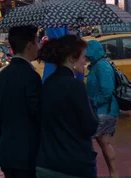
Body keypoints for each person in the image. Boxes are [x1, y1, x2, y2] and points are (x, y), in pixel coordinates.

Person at [36, 36, 99, 178]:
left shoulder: (48, 83)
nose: (85, 61)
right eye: (83, 57)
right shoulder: (76, 86)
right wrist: (93, 105)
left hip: (47, 163)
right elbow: (91, 126)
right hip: (74, 164)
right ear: (71, 58)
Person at [0, 26, 41, 178]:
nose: (38, 46)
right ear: (29, 45)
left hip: (7, 152)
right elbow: (37, 113)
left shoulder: (1, 76)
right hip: (27, 154)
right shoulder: (31, 77)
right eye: (37, 42)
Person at [86, 40, 119, 178]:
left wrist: (91, 102)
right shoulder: (97, 65)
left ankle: (91, 172)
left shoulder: (101, 66)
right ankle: (113, 174)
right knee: (104, 142)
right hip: (106, 111)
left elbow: (106, 91)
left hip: (104, 111)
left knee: (85, 139)